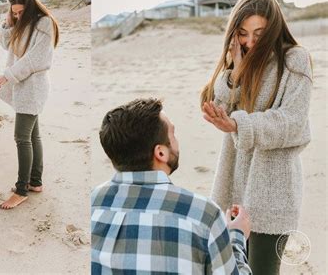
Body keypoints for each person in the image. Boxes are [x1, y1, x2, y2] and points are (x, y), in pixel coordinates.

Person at [200, 0, 312, 275]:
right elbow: (216, 108)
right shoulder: (240, 58)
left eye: (259, 33)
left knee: (262, 271)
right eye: (243, 33)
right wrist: (236, 72)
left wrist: (240, 124)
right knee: (228, 270)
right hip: (233, 185)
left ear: (274, 28)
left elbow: (293, 123)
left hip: (273, 192)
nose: (250, 42)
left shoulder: (295, 60)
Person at [92, 98, 252, 274]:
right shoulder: (203, 215)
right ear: (160, 152)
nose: (176, 140)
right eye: (173, 134)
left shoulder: (93, 202)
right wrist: (236, 237)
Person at [0, 0, 59, 209]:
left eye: (21, 11)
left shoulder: (44, 24)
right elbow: (6, 45)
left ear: (30, 6)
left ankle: (21, 190)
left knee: (22, 137)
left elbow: (34, 60)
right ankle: (36, 182)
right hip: (23, 86)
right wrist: (8, 21)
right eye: (15, 12)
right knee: (33, 135)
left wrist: (6, 77)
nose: (19, 15)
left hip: (33, 88)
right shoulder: (21, 22)